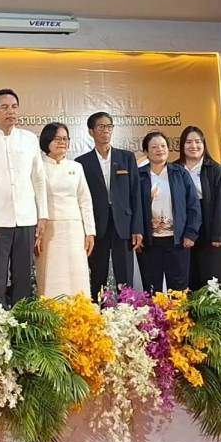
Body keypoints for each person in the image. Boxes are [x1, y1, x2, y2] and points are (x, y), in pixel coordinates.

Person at [0, 89, 48, 307]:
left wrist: (43, 215)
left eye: (14, 107)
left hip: (26, 219)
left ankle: (21, 321)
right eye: (4, 107)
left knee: (23, 277)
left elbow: (39, 179)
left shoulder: (29, 139)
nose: (10, 111)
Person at [75, 112, 142, 301]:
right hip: (97, 225)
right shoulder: (82, 162)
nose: (106, 130)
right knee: (98, 274)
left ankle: (127, 310)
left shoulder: (126, 157)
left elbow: (135, 194)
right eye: (101, 127)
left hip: (123, 224)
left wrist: (137, 228)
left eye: (109, 126)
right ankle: (97, 311)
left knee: (125, 274)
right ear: (91, 131)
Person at [36, 123, 95, 298]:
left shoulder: (76, 167)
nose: (62, 142)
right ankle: (51, 311)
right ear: (46, 141)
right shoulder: (38, 167)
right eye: (57, 139)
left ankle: (80, 310)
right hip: (48, 229)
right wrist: (36, 232)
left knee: (77, 274)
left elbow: (85, 200)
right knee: (51, 274)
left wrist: (90, 232)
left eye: (65, 139)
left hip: (75, 229)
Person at [137, 132, 201, 292]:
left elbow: (193, 205)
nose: (159, 149)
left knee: (179, 287)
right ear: (146, 151)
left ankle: (179, 310)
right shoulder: (139, 175)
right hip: (149, 241)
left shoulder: (180, 173)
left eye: (163, 146)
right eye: (154, 147)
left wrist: (191, 233)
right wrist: (136, 233)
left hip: (178, 240)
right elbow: (133, 208)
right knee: (152, 287)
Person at [175, 126, 221, 288]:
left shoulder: (214, 169)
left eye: (198, 142)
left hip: (210, 226)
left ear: (204, 144)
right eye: (189, 142)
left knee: (211, 277)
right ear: (182, 145)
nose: (194, 146)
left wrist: (218, 235)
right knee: (188, 276)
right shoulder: (174, 168)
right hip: (184, 226)